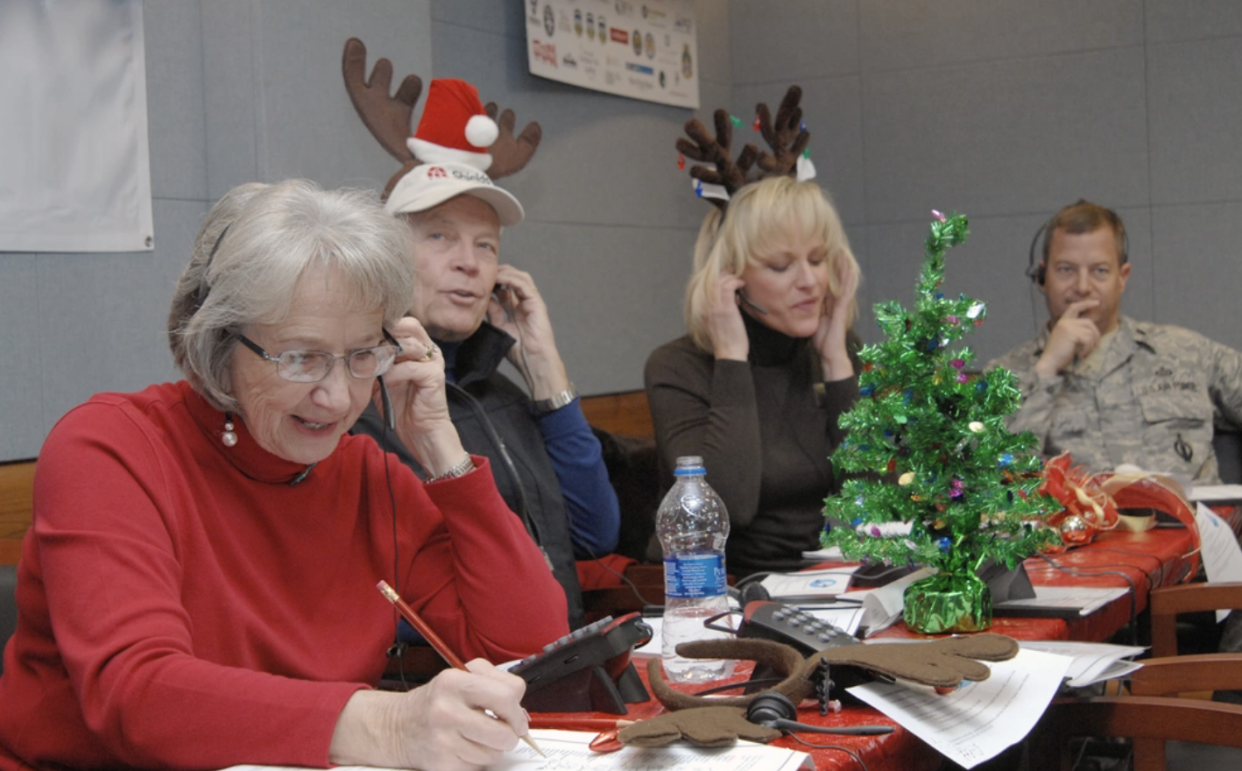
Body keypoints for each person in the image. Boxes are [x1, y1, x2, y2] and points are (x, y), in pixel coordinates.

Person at [0, 180, 569, 770]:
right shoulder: (110, 448)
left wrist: (440, 448)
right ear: (218, 343)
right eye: (301, 356)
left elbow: (528, 646)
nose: (337, 395)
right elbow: (137, 695)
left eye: (362, 356)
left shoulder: (367, 475)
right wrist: (389, 723)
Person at [352, 162, 620, 628]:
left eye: (486, 245)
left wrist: (544, 367)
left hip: (560, 654)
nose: (469, 263)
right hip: (444, 676)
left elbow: (594, 535)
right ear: (386, 257)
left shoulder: (501, 392)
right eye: (440, 237)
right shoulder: (354, 399)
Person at [644, 176, 862, 577]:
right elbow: (729, 508)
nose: (810, 281)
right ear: (731, 279)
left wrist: (836, 364)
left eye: (817, 259)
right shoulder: (676, 367)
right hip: (726, 589)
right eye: (781, 266)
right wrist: (732, 359)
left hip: (834, 582)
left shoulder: (836, 350)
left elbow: (871, 503)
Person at [988, 200, 1242, 484]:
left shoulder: (1187, 351)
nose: (1083, 287)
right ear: (1042, 277)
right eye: (1066, 270)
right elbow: (990, 482)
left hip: (1195, 524)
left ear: (1122, 278)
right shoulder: (1004, 377)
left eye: (1099, 271)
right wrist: (1046, 369)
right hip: (1079, 526)